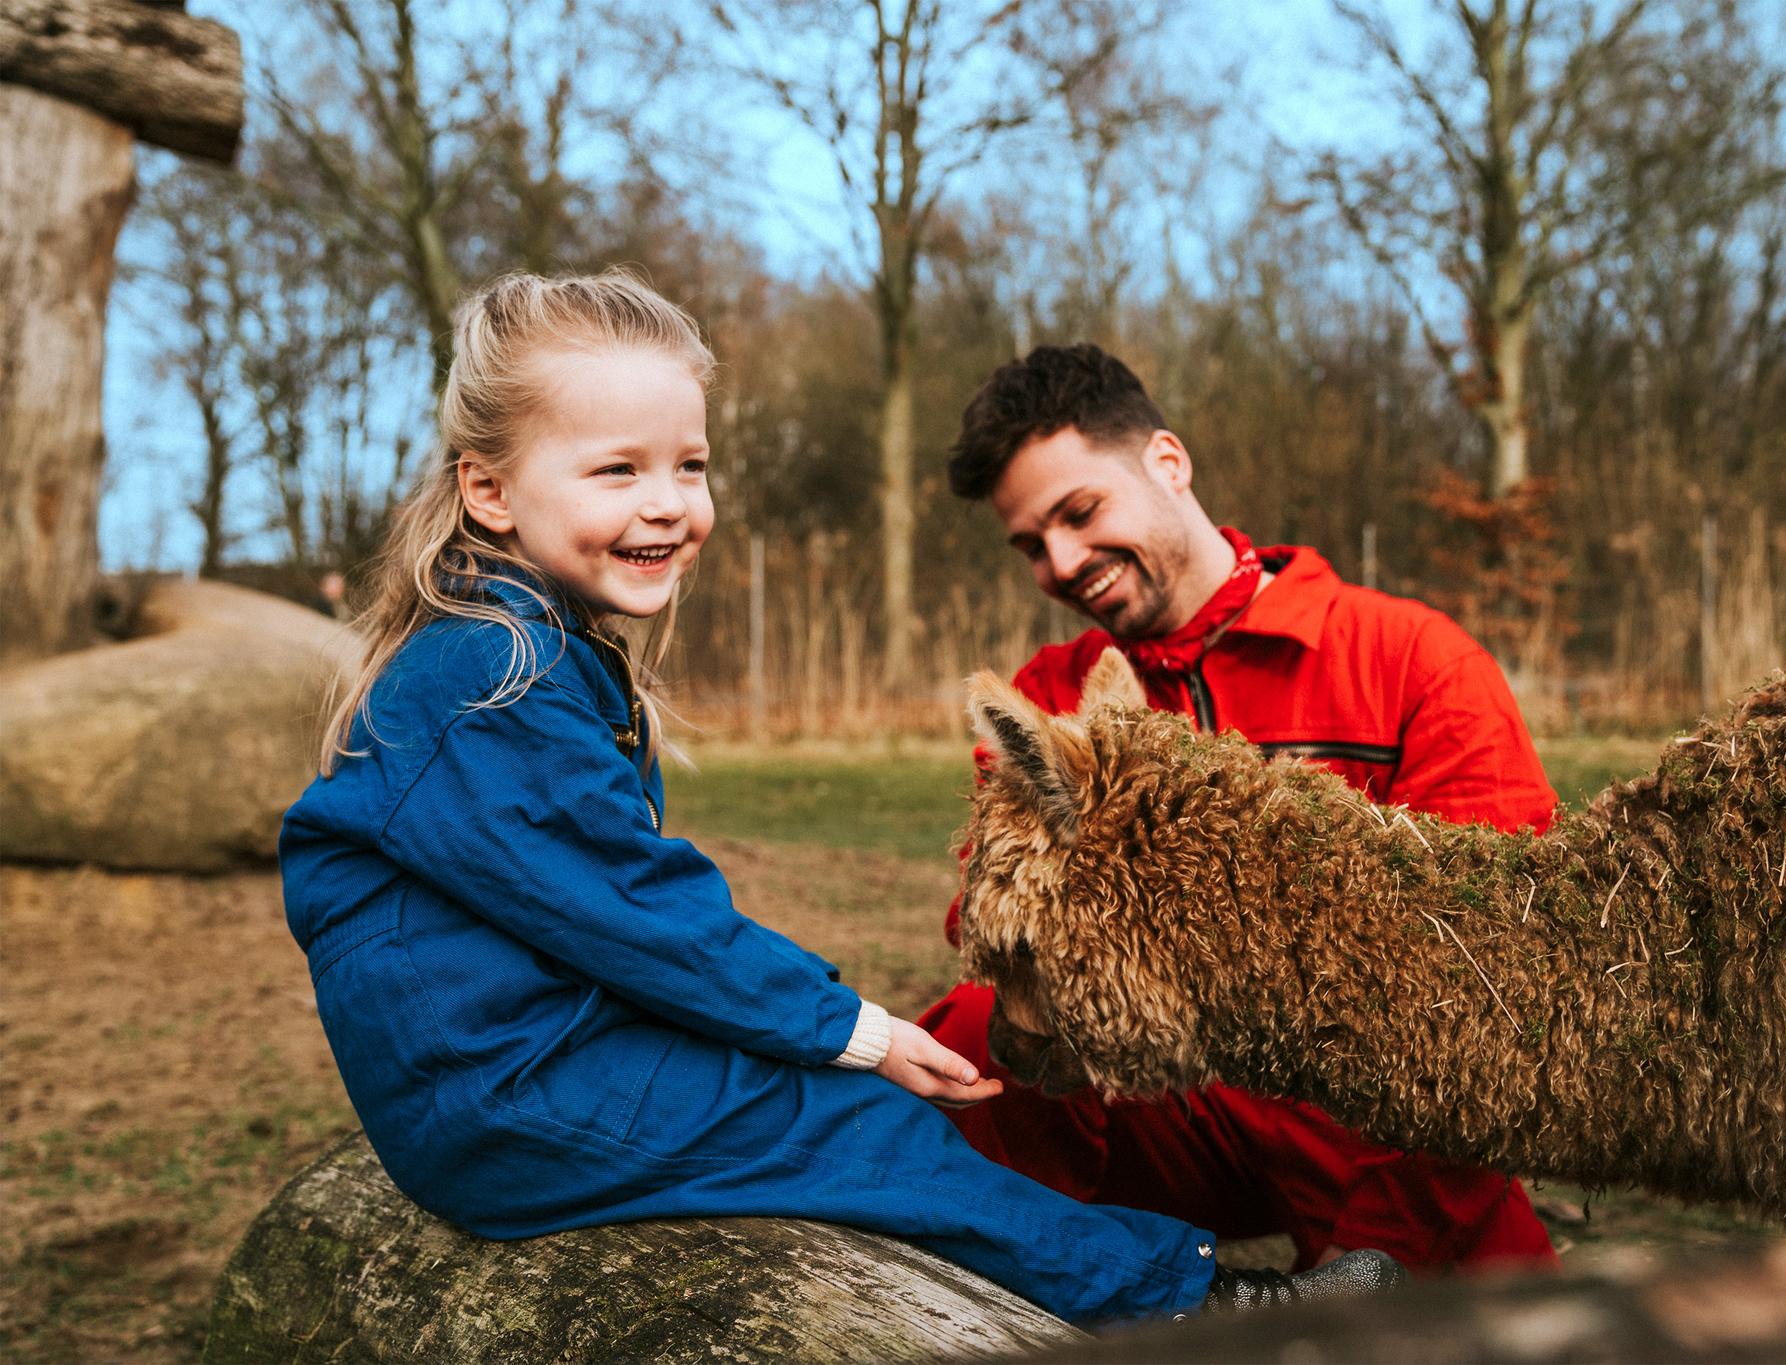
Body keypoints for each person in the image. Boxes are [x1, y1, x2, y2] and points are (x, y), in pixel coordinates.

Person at [278, 272, 1402, 1327]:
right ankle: (1179, 1302)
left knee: (836, 1096)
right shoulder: (491, 676)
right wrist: (845, 1031)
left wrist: (805, 1032)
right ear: (487, 489)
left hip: (522, 1059)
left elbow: (594, 909)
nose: (667, 505)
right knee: (855, 1122)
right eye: (615, 471)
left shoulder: (522, 648)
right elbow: (631, 907)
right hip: (506, 1096)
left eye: (689, 466)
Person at [919, 343, 1562, 1275]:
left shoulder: (1410, 660)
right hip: (1161, 1099)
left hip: (1383, 1112)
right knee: (986, 1029)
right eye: (1030, 544)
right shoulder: (1054, 698)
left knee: (1496, 1302)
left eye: (1080, 512)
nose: (1060, 562)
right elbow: (992, 926)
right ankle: (1039, 1277)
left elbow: (1499, 963)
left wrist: (1381, 1245)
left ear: (1168, 463)